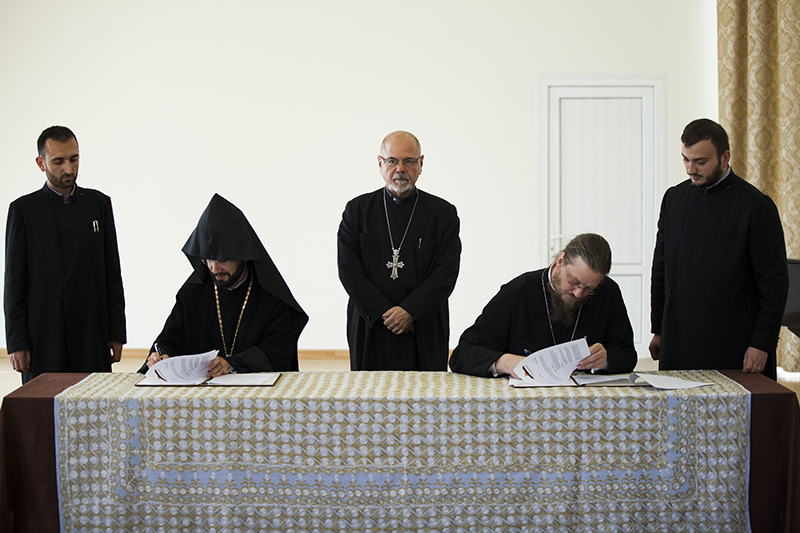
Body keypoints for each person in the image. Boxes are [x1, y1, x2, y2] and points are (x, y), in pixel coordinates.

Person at [649, 118, 789, 380]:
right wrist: (659, 328)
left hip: (733, 341)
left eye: (700, 161)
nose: (691, 169)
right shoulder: (673, 199)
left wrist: (762, 343)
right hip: (679, 337)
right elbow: (661, 268)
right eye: (685, 159)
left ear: (725, 158)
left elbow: (775, 285)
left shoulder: (755, 205)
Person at [4, 126, 126, 383]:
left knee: (94, 408)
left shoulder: (98, 204)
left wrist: (116, 331)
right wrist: (17, 341)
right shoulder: (24, 210)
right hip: (43, 333)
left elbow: (111, 273)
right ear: (41, 163)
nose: (68, 169)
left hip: (91, 330)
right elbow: (14, 282)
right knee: (43, 410)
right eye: (58, 161)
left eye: (74, 159)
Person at [140, 194, 307, 377]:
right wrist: (162, 355)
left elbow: (277, 350)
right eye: (208, 260)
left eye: (224, 260)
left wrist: (232, 364)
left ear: (243, 254)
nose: (215, 268)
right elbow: (170, 339)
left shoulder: (271, 297)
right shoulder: (193, 292)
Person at [337, 131, 461, 371]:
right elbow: (349, 271)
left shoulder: (442, 214)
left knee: (425, 400)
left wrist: (410, 311)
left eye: (409, 161)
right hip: (370, 323)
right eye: (392, 161)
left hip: (423, 325)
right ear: (380, 164)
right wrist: (385, 313)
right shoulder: (357, 211)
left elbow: (445, 274)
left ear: (421, 164)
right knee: (369, 400)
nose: (400, 168)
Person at [450, 233, 637, 378]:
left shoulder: (608, 292)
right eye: (573, 282)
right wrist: (505, 362)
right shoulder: (519, 291)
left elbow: (627, 354)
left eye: (589, 288)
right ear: (560, 261)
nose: (579, 293)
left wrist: (605, 360)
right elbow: (463, 354)